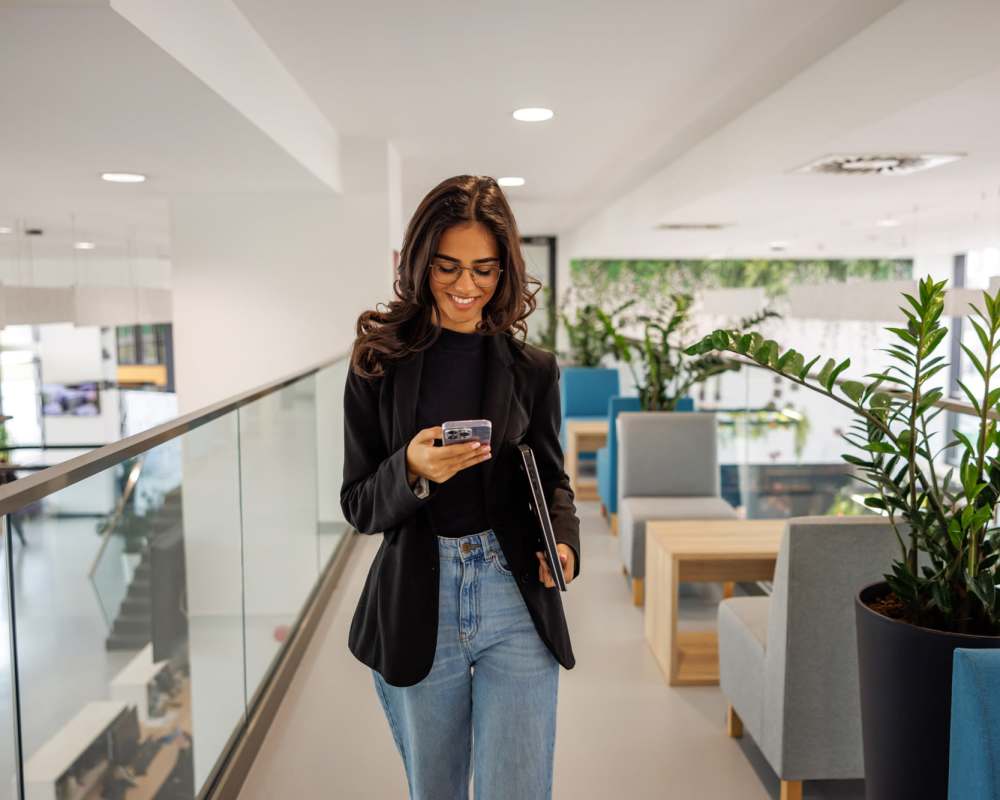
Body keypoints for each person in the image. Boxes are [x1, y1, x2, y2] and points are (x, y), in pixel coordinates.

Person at [341, 174, 581, 800]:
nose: (466, 288)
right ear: (419, 262)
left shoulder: (533, 370)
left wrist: (564, 543)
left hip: (513, 596)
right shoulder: (377, 362)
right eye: (448, 268)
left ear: (505, 271)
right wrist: (411, 471)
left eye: (485, 270)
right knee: (437, 790)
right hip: (421, 597)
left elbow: (553, 480)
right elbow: (358, 504)